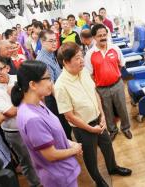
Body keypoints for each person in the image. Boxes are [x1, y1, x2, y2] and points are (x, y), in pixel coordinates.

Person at [55, 42, 132, 187]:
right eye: (77, 58)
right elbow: (69, 116)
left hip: (98, 119)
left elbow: (94, 92)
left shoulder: (83, 71)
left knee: (107, 145)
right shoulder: (60, 86)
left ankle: (113, 167)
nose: (82, 61)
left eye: (81, 56)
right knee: (91, 157)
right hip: (83, 128)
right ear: (65, 62)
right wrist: (91, 129)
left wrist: (102, 115)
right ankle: (98, 181)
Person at [11, 61, 82, 187]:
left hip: (63, 170)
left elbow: (54, 134)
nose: (51, 83)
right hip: (58, 176)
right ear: (33, 84)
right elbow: (51, 155)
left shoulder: (37, 103)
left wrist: (70, 143)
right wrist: (74, 150)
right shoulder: (32, 118)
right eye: (48, 78)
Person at [0, 55, 40, 187]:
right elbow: (10, 112)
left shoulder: (18, 79)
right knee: (27, 160)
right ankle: (36, 184)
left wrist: (18, 99)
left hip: (35, 123)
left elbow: (38, 97)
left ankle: (47, 179)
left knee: (42, 153)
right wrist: (23, 98)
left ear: (7, 68)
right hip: (15, 131)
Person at [85, 24, 132, 141]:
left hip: (117, 84)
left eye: (104, 35)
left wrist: (113, 75)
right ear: (94, 37)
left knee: (122, 108)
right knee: (107, 111)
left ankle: (126, 128)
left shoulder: (115, 48)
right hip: (101, 88)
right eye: (99, 35)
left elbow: (121, 64)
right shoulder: (90, 54)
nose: (103, 37)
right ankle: (112, 130)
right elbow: (90, 74)